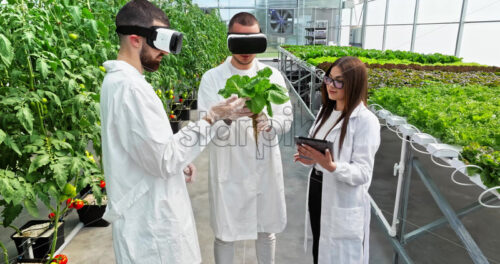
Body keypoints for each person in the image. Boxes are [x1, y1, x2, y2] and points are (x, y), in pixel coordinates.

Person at [99, 1, 252, 263]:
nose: (165, 53)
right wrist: (210, 118)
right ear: (136, 39)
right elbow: (164, 159)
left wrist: (179, 160)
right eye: (159, 43)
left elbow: (148, 150)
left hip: (148, 216)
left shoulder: (121, 83)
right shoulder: (130, 89)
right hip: (153, 231)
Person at [197, 12, 293, 264]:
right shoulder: (212, 78)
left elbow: (286, 118)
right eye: (240, 40)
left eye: (252, 41)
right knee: (225, 233)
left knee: (266, 229)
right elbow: (206, 126)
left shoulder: (272, 77)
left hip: (264, 167)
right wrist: (229, 115)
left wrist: (267, 122)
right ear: (230, 40)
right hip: (228, 167)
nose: (246, 50)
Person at [294, 56, 380, 264]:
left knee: (339, 258)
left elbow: (363, 173)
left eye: (339, 81)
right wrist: (312, 159)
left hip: (342, 202)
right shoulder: (326, 111)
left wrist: (331, 166)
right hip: (318, 193)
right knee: (319, 250)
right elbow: (322, 152)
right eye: (329, 79)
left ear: (355, 84)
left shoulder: (366, 121)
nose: (331, 86)